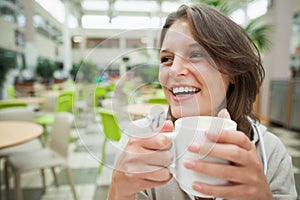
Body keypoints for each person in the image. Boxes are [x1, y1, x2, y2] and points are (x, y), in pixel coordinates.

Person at [108, 3, 297, 200]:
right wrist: (118, 190)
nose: (174, 70)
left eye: (196, 54)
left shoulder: (270, 153)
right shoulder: (140, 142)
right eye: (166, 59)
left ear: (232, 70)